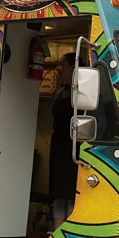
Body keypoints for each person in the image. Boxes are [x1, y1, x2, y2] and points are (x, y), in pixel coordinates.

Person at [49, 52, 78, 228]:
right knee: (59, 193)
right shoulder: (61, 91)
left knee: (71, 191)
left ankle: (67, 232)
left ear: (73, 68)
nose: (59, 69)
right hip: (59, 145)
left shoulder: (81, 93)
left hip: (73, 146)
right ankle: (57, 232)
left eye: (63, 65)